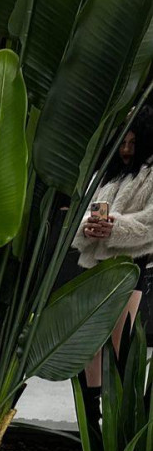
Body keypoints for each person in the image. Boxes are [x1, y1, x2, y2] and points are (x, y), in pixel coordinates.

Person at [72, 105, 153, 422]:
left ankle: (117, 424)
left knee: (120, 348)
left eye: (133, 143)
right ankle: (91, 420)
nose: (126, 149)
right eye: (123, 142)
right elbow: (80, 219)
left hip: (128, 269)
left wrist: (115, 228)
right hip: (95, 269)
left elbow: (149, 224)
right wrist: (88, 229)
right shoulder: (105, 175)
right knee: (89, 344)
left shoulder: (150, 174)